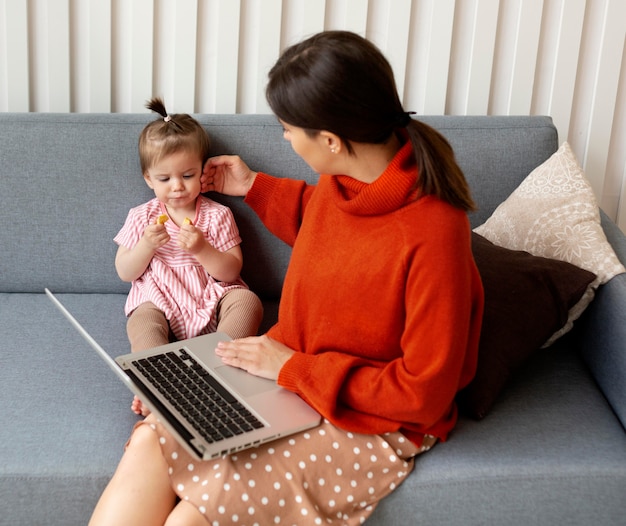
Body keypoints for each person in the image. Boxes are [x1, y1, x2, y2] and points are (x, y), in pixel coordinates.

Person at [90, 31, 484, 525]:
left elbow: (423, 394)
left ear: (331, 141)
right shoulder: (345, 183)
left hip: (369, 416)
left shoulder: (435, 232)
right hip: (286, 378)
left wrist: (293, 369)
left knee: (193, 514)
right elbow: (329, 226)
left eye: (287, 128)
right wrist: (252, 185)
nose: (283, 138)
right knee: (154, 438)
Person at [114, 97, 263, 415]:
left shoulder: (218, 215)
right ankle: (157, 381)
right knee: (142, 323)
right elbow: (126, 272)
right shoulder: (142, 217)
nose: (177, 187)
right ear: (148, 179)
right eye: (165, 179)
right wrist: (146, 246)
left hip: (211, 295)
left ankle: (218, 366)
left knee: (248, 302)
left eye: (187, 175)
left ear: (202, 172)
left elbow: (230, 270)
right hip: (160, 298)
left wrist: (202, 249)